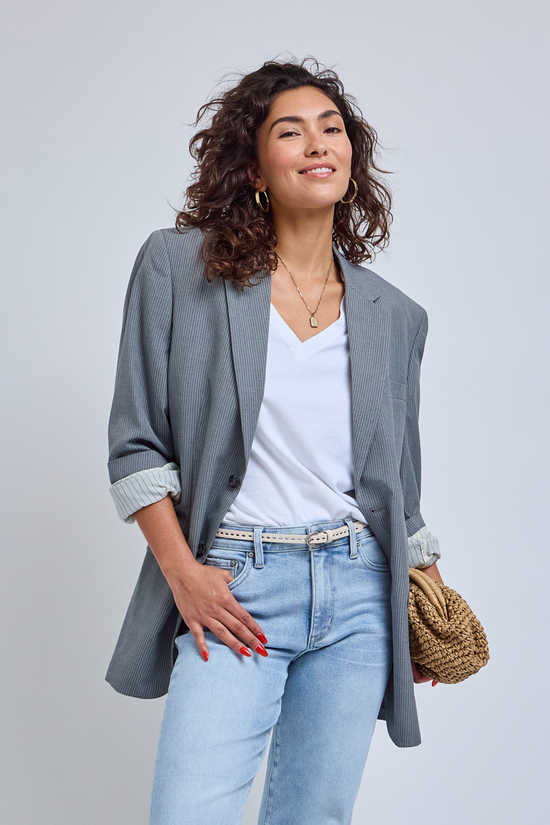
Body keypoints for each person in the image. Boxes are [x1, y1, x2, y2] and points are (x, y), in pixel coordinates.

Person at [106, 56, 444, 825]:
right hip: (237, 583)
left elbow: (404, 486)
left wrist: (418, 598)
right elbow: (134, 447)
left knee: (313, 817)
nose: (317, 143)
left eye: (332, 128)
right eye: (290, 131)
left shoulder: (397, 314)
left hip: (360, 593)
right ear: (256, 166)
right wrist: (185, 574)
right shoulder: (176, 268)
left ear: (352, 160)